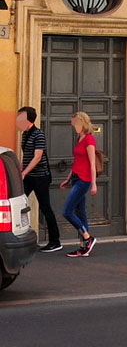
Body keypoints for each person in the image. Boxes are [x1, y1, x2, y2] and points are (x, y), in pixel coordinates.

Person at [16, 107, 60, 252]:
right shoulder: (25, 134)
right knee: (19, 204)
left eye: (19, 117)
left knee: (45, 207)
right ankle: (21, 236)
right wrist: (21, 170)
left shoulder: (38, 134)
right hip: (28, 176)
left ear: (27, 119)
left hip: (41, 177)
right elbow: (27, 156)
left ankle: (55, 241)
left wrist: (24, 172)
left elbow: (37, 157)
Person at [60, 111, 99, 257]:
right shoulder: (80, 138)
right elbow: (77, 162)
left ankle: (88, 238)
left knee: (67, 212)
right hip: (76, 178)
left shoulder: (89, 140)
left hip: (84, 180)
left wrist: (94, 184)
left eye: (75, 123)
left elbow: (92, 164)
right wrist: (68, 178)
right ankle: (84, 247)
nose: (74, 125)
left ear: (82, 122)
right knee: (80, 213)